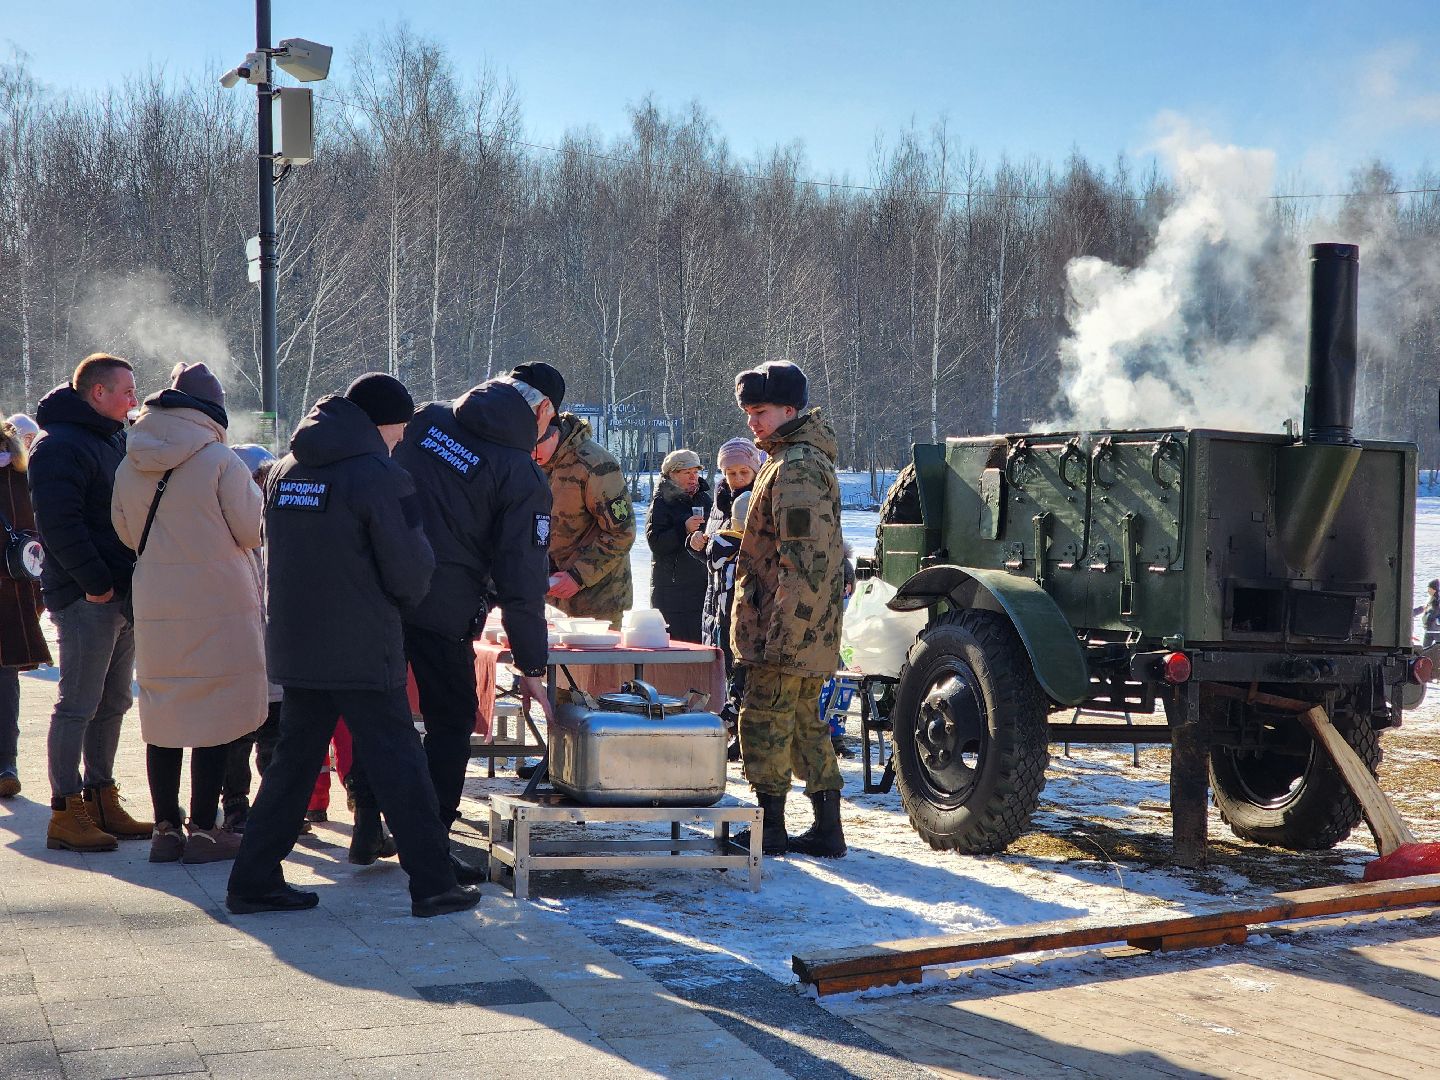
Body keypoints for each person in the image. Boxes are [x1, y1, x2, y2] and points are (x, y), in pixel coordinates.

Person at [226, 373, 476, 918]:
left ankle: (252, 879)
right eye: (401, 426)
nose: (404, 437)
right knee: (401, 763)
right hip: (363, 644)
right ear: (382, 422)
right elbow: (409, 570)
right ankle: (434, 884)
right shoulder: (380, 476)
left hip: (298, 641)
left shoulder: (288, 470)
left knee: (293, 763)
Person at [389, 362, 559, 874]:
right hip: (445, 608)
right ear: (543, 412)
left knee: (381, 712)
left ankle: (371, 816)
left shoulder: (426, 421)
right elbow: (523, 579)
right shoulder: (520, 473)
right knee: (451, 720)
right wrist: (532, 665)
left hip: (381, 592)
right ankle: (432, 843)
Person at [112, 363, 267, 864]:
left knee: (165, 711)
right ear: (212, 411)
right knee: (216, 715)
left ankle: (164, 829)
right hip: (217, 601)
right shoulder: (221, 459)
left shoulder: (130, 459)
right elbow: (250, 530)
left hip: (157, 596)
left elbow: (124, 531)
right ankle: (204, 829)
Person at [28, 354, 152, 851]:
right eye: (126, 390)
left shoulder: (111, 438)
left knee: (116, 700)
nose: (133, 400)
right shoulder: (58, 445)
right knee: (78, 703)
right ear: (97, 392)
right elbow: (61, 525)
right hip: (87, 595)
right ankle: (66, 809)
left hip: (120, 591)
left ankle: (100, 795)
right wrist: (95, 582)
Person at [729, 360, 847, 858]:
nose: (752, 422)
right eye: (749, 412)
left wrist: (783, 633)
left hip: (784, 626)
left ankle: (771, 828)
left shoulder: (796, 466)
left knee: (764, 721)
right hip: (799, 626)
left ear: (790, 410)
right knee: (802, 724)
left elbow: (804, 561)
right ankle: (825, 829)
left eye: (761, 412)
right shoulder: (793, 460)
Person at [220, 444, 282, 832]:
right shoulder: (224, 535)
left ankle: (275, 808)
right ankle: (236, 807)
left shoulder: (280, 526)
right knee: (238, 738)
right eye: (256, 482)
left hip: (276, 653)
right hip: (239, 654)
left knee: (276, 736)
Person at [687, 437, 762, 757]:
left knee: (747, 669)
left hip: (750, 599)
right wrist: (698, 545)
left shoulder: (765, 497)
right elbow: (714, 558)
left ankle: (746, 734)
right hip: (718, 598)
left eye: (743, 472)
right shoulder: (720, 501)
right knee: (729, 666)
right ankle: (737, 732)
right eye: (730, 473)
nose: (736, 480)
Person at [536, 409, 635, 628]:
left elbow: (621, 533)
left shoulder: (595, 465)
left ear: (553, 435)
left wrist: (578, 575)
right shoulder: (533, 463)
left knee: (595, 663)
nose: (531, 454)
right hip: (549, 601)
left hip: (597, 604)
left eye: (535, 446)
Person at [0, 418, 51, 798]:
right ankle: (6, 763)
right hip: (11, 590)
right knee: (5, 678)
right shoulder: (20, 473)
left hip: (12, 590)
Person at [646, 448, 711, 644]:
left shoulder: (704, 499)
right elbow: (655, 542)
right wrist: (683, 529)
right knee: (676, 648)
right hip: (671, 592)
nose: (694, 478)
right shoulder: (661, 502)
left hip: (700, 587)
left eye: (696, 473)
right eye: (687, 473)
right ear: (672, 474)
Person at [1417, 578, 1439, 649]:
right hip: (1428, 630)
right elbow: (1425, 609)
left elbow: (1434, 613)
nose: (1428, 590)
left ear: (1434, 589)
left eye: (1429, 588)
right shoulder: (1430, 599)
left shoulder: (1437, 601)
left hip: (1437, 631)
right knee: (1425, 651)